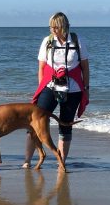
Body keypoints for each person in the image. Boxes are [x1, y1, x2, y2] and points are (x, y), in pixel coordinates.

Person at [23, 12, 89, 168]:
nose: (51, 29)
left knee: (66, 125)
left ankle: (61, 162)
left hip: (72, 90)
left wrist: (86, 89)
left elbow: (85, 68)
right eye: (50, 26)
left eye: (54, 26)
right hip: (50, 87)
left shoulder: (77, 41)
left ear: (62, 26)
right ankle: (27, 160)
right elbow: (41, 67)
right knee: (35, 122)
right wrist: (41, 87)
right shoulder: (47, 41)